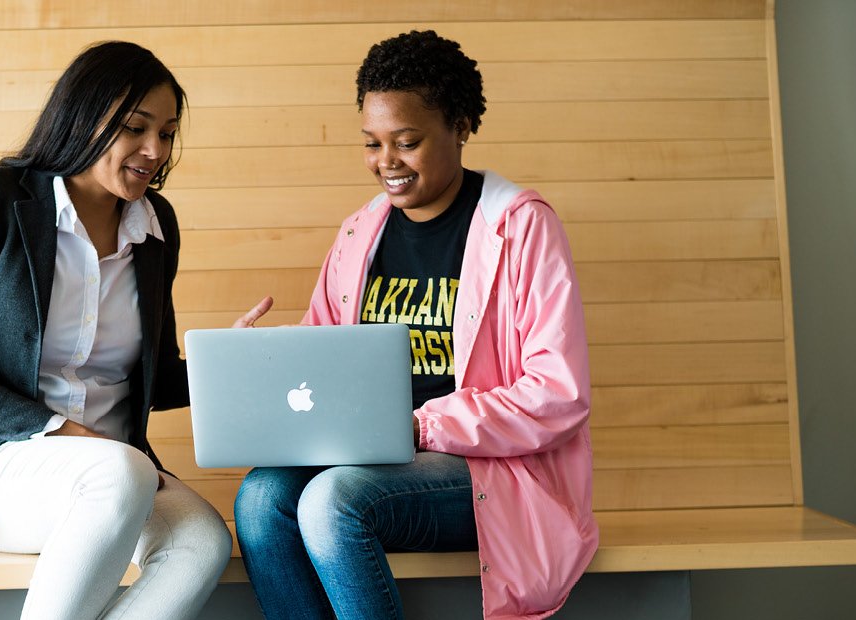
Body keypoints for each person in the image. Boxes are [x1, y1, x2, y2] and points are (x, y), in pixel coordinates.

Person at [232, 30, 598, 620]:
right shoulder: (359, 233)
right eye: (372, 144)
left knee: (331, 499)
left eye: (407, 142)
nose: (386, 163)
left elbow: (557, 396)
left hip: (489, 473)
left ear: (460, 125)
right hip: (371, 457)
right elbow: (325, 361)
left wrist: (419, 427)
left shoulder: (523, 227)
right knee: (260, 499)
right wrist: (267, 365)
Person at [0, 41, 257, 620]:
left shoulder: (156, 226)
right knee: (123, 468)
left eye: (167, 132)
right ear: (83, 117)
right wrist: (70, 435)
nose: (155, 150)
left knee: (201, 541)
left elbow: (154, 382)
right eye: (136, 128)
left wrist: (225, 365)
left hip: (116, 476)